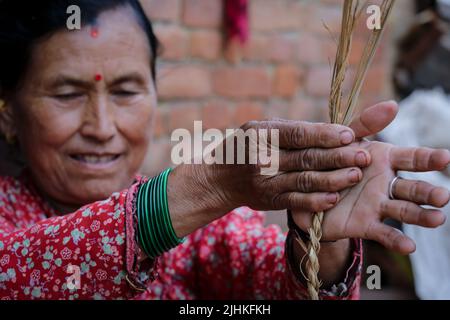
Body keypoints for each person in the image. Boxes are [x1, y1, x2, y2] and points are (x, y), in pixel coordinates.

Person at [0, 0, 448, 300]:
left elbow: (274, 287)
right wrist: (212, 182)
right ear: (8, 113)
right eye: (66, 94)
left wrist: (320, 240)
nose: (101, 127)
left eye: (125, 92)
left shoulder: (196, 233)